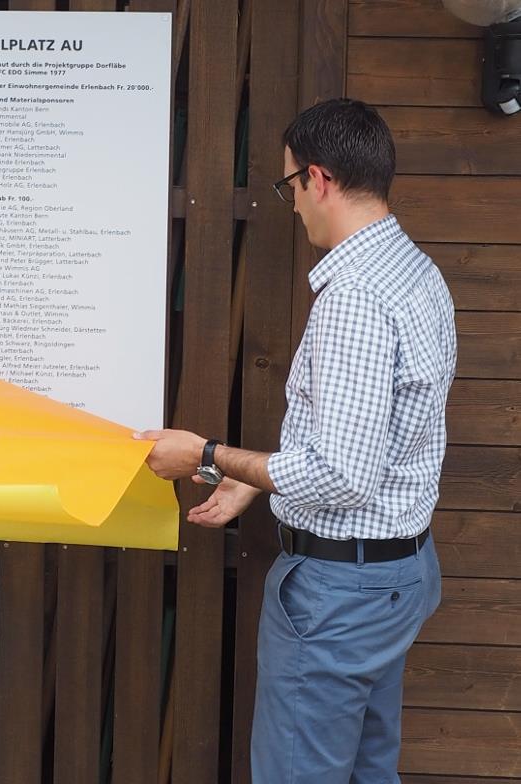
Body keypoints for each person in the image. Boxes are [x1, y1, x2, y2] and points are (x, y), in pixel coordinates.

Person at [138, 98, 455, 782]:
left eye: (287, 186)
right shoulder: (415, 272)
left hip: (341, 591)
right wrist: (254, 479)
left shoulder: (354, 297)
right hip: (398, 575)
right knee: (370, 770)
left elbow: (342, 474)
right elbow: (373, 437)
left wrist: (207, 457)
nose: (290, 204)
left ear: (319, 179)